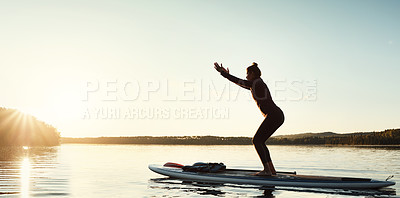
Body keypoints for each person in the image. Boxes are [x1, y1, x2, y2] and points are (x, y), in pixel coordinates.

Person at [214, 62, 284, 176]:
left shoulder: (257, 82)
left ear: (252, 73)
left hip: (274, 115)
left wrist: (224, 74)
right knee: (260, 141)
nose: (246, 76)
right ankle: (271, 170)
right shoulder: (256, 83)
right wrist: (226, 75)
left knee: (256, 140)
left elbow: (240, 81)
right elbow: (242, 84)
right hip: (276, 115)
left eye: (247, 74)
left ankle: (267, 171)